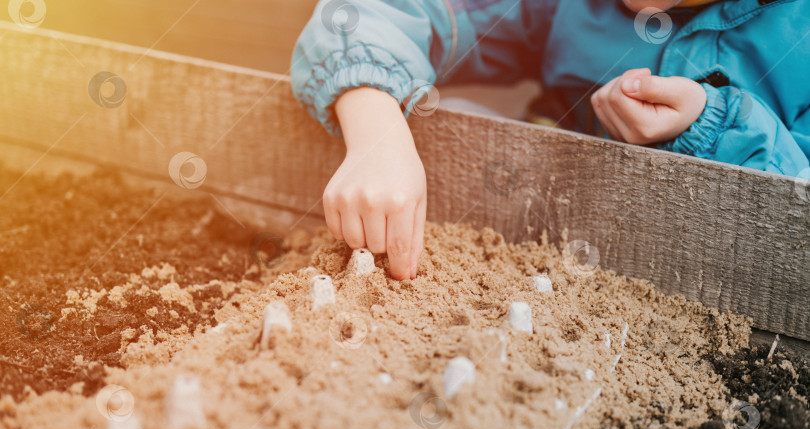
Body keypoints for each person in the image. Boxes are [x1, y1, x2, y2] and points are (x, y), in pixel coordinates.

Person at [291, 0, 810, 280]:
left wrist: (712, 125)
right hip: (556, 240)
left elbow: (795, 220)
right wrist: (375, 127)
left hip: (714, 283)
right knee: (453, 119)